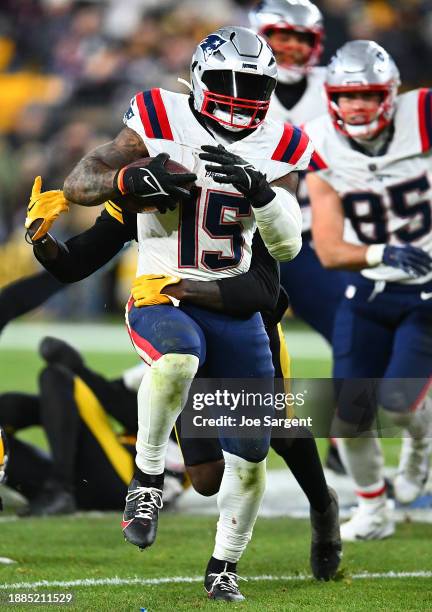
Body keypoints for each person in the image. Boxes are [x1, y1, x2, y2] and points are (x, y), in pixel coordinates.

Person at [27, 25, 331, 600]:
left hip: (249, 311)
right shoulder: (155, 139)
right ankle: (145, 478)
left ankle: (295, 528)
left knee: (261, 444)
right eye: (227, 84)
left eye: (252, 87)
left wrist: (262, 196)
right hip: (172, 303)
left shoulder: (278, 147)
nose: (239, 98)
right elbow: (86, 188)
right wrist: (116, 185)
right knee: (180, 369)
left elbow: (275, 270)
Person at [305, 40, 432, 541]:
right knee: (347, 417)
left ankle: (421, 448)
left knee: (400, 405)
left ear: (391, 94)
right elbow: (331, 250)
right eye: (347, 94)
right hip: (368, 291)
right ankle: (373, 506)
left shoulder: (421, 113)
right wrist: (381, 253)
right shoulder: (319, 140)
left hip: (426, 292)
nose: (357, 105)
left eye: (369, 94)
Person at [249, 0, 347, 473]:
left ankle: (347, 445)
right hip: (242, 236)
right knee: (224, 343)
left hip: (310, 237)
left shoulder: (337, 86)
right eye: (280, 36)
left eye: (300, 38)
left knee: (354, 332)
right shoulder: (237, 80)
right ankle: (186, 443)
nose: (290, 47)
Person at [0, 335, 187, 515]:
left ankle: (59, 489)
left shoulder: (198, 377)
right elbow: (110, 395)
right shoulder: (192, 364)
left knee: (56, 376)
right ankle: (58, 489)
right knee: (15, 406)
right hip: (99, 480)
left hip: (130, 482)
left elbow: (128, 411)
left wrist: (77, 367)